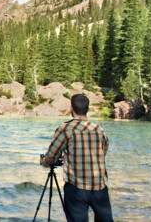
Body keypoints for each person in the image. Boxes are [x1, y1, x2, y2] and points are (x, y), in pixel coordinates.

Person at [40, 93, 113, 222]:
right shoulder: (99, 130)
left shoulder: (66, 129)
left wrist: (45, 162)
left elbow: (51, 155)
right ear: (88, 109)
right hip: (99, 186)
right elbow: (103, 152)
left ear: (71, 108)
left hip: (76, 187)